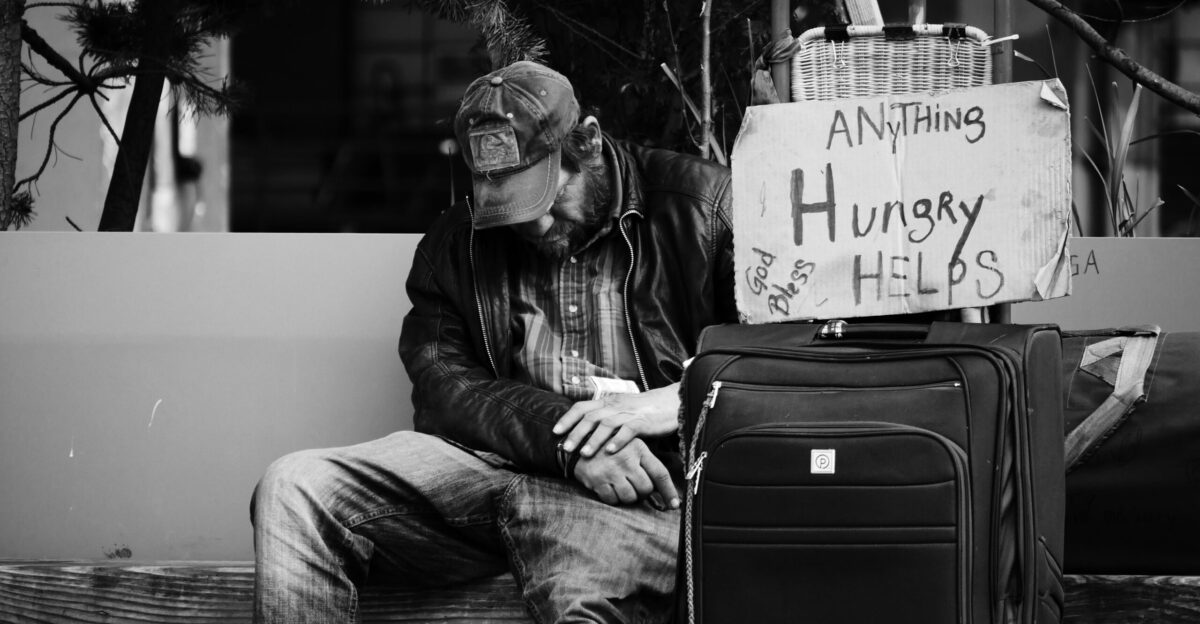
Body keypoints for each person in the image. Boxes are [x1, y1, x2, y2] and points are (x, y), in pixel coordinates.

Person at [251, 60, 735, 623]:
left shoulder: (703, 210)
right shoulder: (460, 241)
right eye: (506, 205)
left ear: (590, 142)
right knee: (293, 488)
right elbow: (443, 387)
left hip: (633, 495)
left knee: (585, 607)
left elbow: (793, 367)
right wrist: (567, 441)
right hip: (491, 469)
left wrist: (677, 400)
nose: (529, 225)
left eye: (543, 198)